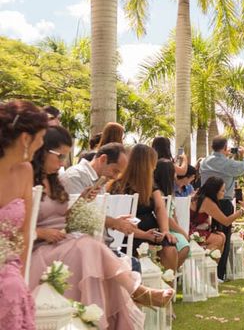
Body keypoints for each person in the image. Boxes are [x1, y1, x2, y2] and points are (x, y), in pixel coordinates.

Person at [30, 127, 172, 329]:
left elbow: (65, 218)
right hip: (40, 248)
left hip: (64, 242)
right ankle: (138, 292)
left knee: (92, 251)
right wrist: (41, 232)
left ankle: (133, 296)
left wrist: (81, 201)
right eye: (59, 156)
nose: (63, 163)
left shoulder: (55, 181)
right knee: (89, 247)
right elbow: (17, 223)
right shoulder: (29, 179)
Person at [0, 100, 49, 329]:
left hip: (6, 266)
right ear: (26, 139)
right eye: (41, 138)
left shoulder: (26, 171)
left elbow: (23, 236)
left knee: (12, 287)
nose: (42, 144)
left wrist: (19, 275)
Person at [59, 142, 141, 271]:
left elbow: (92, 214)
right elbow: (76, 216)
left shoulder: (99, 179)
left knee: (133, 264)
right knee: (133, 266)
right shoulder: (75, 176)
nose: (115, 177)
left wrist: (116, 222)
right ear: (103, 159)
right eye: (115, 170)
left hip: (99, 246)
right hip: (82, 248)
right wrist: (114, 223)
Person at [109, 144, 181, 276]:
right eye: (153, 163)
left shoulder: (151, 185)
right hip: (130, 234)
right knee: (146, 248)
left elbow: (160, 208)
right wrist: (144, 235)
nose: (154, 167)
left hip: (152, 232)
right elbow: (119, 221)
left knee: (170, 249)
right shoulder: (119, 186)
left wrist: (165, 231)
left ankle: (167, 285)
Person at [199, 136, 244, 279]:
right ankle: (219, 274)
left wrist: (225, 155)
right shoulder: (228, 163)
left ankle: (207, 272)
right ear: (224, 147)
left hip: (204, 203)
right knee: (223, 238)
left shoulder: (204, 161)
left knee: (208, 235)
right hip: (223, 203)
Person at [189, 176, 244, 253]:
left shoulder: (201, 197)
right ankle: (209, 262)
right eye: (222, 190)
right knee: (218, 239)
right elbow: (226, 221)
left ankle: (213, 262)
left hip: (193, 229)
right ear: (215, 191)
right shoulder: (207, 202)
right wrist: (242, 210)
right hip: (190, 232)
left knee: (221, 235)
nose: (224, 192)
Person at [154, 159, 190, 268]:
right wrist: (183, 232)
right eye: (173, 171)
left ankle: (171, 273)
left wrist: (180, 230)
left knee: (184, 244)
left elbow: (173, 215)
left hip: (171, 228)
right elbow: (167, 218)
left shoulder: (169, 191)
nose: (176, 174)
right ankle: (168, 273)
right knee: (183, 244)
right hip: (162, 227)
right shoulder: (159, 193)